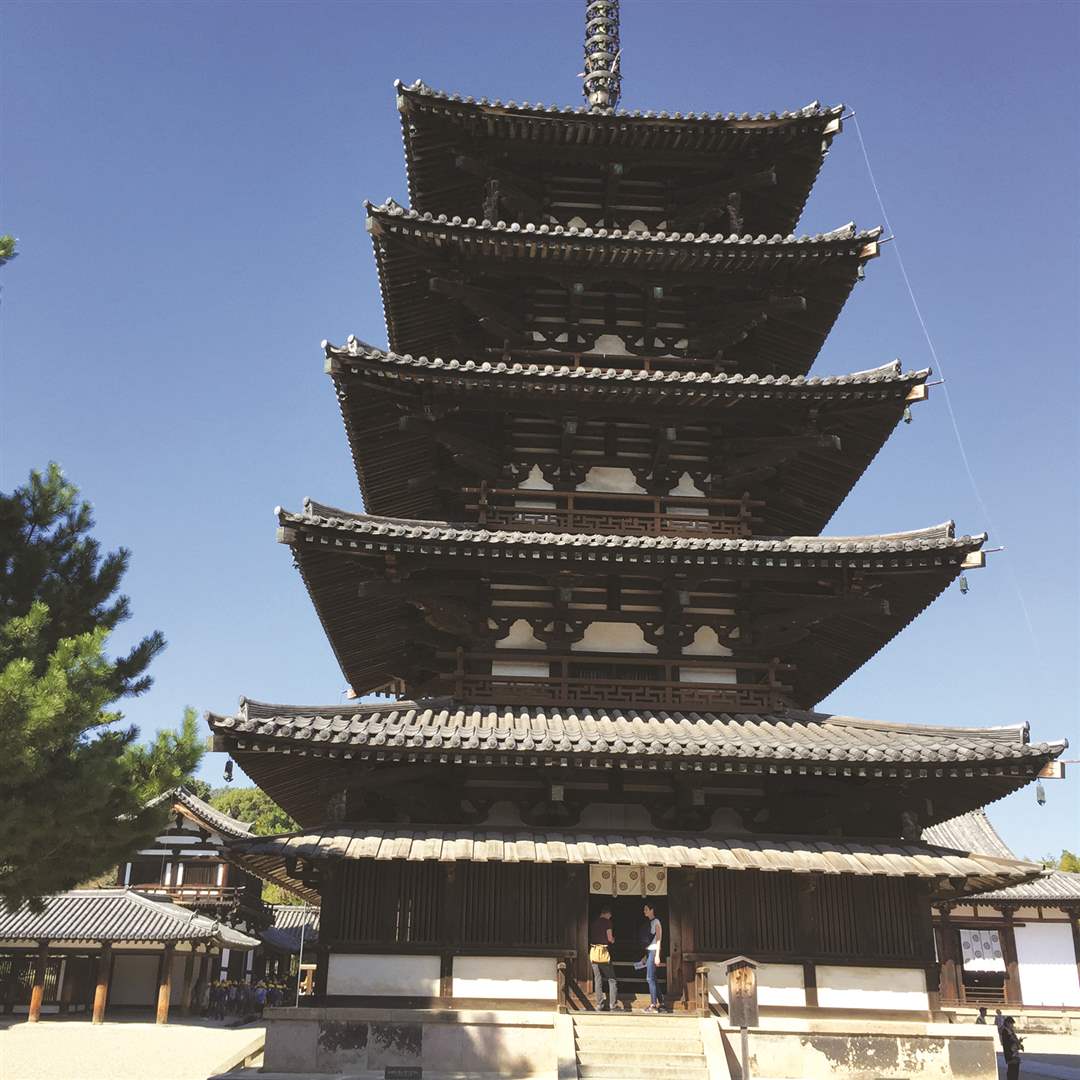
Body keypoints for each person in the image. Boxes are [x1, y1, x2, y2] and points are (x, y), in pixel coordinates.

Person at [589, 904, 617, 1011]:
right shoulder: (607, 922)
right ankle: (612, 1005)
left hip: (594, 952)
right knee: (612, 979)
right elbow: (610, 938)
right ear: (608, 913)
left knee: (598, 979)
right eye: (610, 915)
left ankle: (599, 1005)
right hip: (603, 952)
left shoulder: (594, 923)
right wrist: (613, 940)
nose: (610, 917)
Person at [642, 903, 662, 1013]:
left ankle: (653, 1005)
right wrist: (645, 955)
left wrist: (657, 955)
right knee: (653, 978)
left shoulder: (656, 922)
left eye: (646, 909)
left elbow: (658, 939)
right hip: (650, 951)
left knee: (650, 978)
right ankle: (661, 1002)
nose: (644, 911)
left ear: (652, 910)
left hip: (654, 951)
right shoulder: (649, 923)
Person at [999, 1015, 1023, 1080]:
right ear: (1007, 1023)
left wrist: (1018, 1042)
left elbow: (1014, 1040)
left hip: (1014, 1053)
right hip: (1010, 1053)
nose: (1012, 1025)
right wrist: (1016, 1043)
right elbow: (1007, 1043)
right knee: (1012, 1072)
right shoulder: (1005, 1031)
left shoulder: (1010, 1031)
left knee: (1015, 1071)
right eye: (1011, 1023)